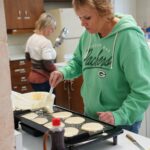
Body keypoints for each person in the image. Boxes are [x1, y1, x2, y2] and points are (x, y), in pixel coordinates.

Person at [49, 0, 150, 133]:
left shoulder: (129, 38)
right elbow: (78, 62)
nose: (82, 23)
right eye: (80, 18)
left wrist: (119, 115)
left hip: (121, 122)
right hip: (90, 116)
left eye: (87, 17)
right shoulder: (88, 35)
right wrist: (63, 73)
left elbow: (143, 89)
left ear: (104, 12)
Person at [25, 12, 57, 92]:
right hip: (43, 79)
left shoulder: (31, 38)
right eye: (51, 28)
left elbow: (27, 57)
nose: (52, 31)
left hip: (33, 79)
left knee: (39, 103)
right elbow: (47, 63)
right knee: (49, 103)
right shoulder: (46, 42)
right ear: (45, 27)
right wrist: (56, 70)